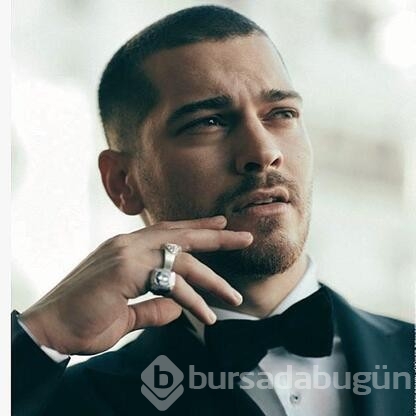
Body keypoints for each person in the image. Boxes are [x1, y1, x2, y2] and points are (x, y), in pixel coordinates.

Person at [11, 5, 413, 416]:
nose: (263, 152)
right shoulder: (70, 402)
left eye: (281, 114)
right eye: (209, 122)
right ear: (123, 182)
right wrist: (42, 333)